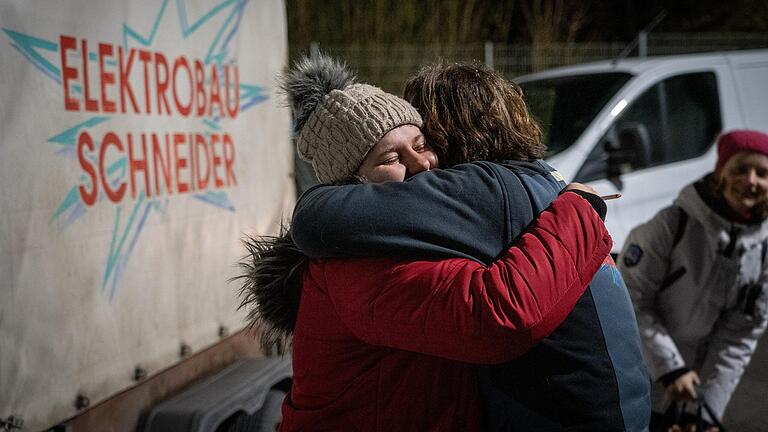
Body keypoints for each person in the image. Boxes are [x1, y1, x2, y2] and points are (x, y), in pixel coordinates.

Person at [237, 55, 613, 431]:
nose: (421, 164)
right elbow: (496, 316)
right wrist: (578, 210)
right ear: (351, 186)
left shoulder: (412, 237)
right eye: (391, 158)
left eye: (421, 143)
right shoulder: (359, 267)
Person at [619, 129, 768, 430]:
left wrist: (704, 410)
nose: (751, 180)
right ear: (720, 173)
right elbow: (630, 299)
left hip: (689, 395)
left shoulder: (763, 252)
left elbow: (738, 337)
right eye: (740, 168)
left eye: (762, 173)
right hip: (634, 382)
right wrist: (670, 369)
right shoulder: (672, 224)